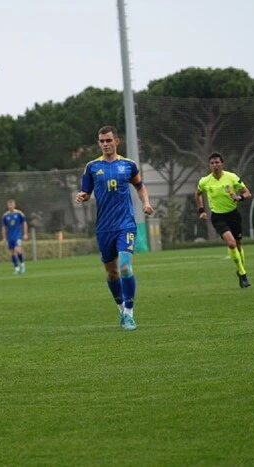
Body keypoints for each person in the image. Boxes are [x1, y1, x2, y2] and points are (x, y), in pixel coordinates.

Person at [75, 125, 154, 332]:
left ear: (116, 141)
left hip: (126, 224)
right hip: (104, 228)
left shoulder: (128, 165)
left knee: (125, 267)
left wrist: (145, 203)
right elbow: (86, 191)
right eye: (102, 141)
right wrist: (82, 196)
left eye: (109, 140)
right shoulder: (92, 167)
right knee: (112, 273)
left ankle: (129, 314)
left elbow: (139, 186)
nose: (105, 144)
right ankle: (120, 309)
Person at [195, 152, 252, 288]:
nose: (215, 165)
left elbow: (247, 193)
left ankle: (240, 270)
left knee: (238, 245)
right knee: (231, 244)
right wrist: (202, 211)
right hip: (218, 217)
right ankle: (243, 275)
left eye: (217, 162)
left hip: (233, 215)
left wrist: (239, 198)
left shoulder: (231, 177)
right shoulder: (205, 181)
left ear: (222, 164)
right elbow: (197, 194)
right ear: (210, 165)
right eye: (212, 163)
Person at [1, 199, 28, 274]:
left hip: (18, 235)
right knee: (12, 252)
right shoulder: (5, 216)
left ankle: (22, 265)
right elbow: (3, 227)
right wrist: (4, 237)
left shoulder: (19, 213)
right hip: (10, 236)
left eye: (12, 204)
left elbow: (24, 223)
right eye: (9, 205)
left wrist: (25, 234)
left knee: (18, 249)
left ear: (14, 205)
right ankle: (16, 267)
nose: (10, 206)